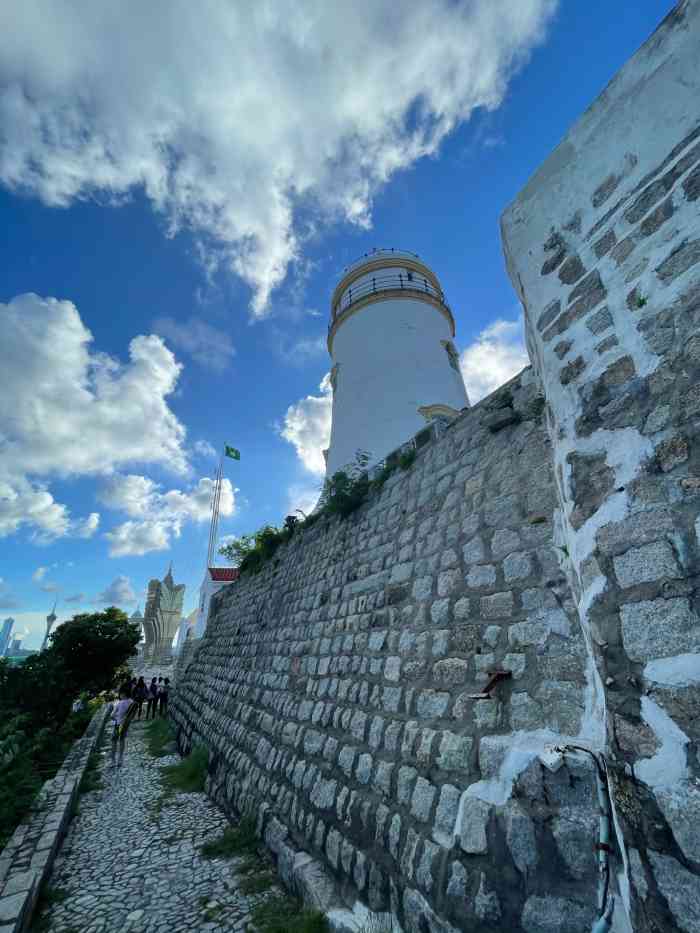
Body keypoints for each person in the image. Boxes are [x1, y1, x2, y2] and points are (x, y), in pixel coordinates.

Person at [110, 687, 137, 766]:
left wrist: (116, 718)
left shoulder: (120, 703)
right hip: (126, 725)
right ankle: (120, 759)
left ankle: (113, 760)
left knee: (114, 740)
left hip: (118, 725)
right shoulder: (132, 702)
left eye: (120, 693)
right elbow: (133, 716)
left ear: (123, 694)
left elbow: (112, 715)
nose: (119, 695)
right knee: (122, 740)